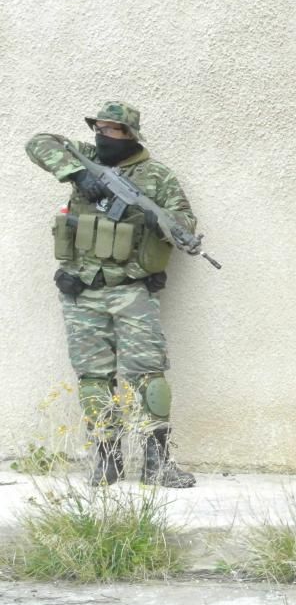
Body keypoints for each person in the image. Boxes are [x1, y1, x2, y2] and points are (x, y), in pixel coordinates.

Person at [26, 101, 197, 488]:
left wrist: (159, 220)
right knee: (93, 377)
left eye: (111, 130)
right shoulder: (83, 156)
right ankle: (107, 460)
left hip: (132, 290)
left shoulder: (157, 176)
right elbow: (39, 143)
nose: (101, 136)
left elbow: (185, 224)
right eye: (98, 129)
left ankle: (156, 463)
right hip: (81, 289)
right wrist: (75, 173)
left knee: (148, 375)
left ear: (130, 135)